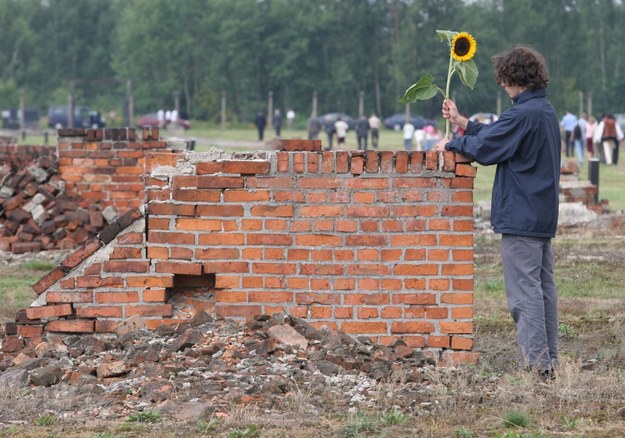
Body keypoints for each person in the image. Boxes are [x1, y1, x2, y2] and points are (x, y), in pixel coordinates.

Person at [436, 46, 561, 379]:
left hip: (521, 215)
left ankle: (537, 366)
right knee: (542, 289)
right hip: (540, 214)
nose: (503, 86)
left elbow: (487, 148)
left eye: (505, 80)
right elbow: (497, 134)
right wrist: (463, 123)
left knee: (524, 294)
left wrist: (451, 144)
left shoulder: (523, 115)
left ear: (515, 78)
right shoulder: (542, 110)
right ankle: (549, 361)